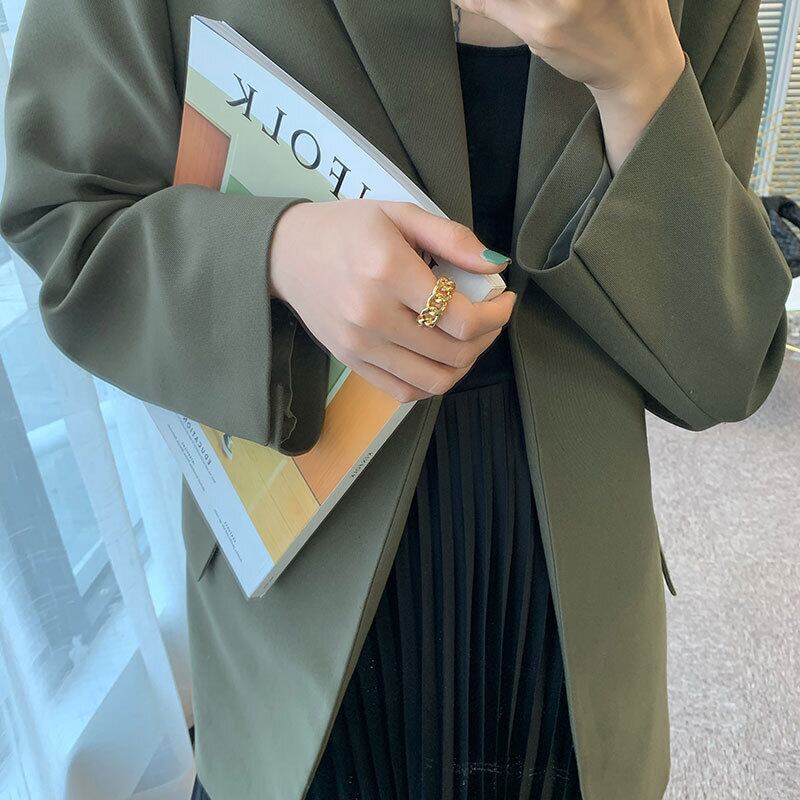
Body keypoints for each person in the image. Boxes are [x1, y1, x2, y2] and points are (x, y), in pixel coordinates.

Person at [0, 1, 791, 799]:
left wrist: (640, 80)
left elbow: (724, 368)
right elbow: (63, 215)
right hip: (301, 611)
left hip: (577, 616)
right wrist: (273, 255)